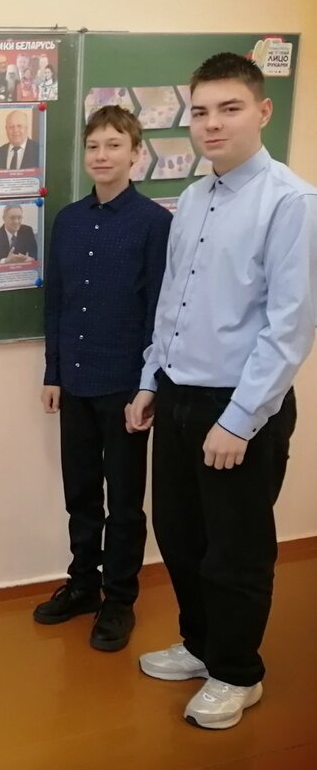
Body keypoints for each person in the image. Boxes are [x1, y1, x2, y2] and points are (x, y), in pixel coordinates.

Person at [126, 53, 316, 730]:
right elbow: (171, 301)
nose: (211, 124)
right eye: (200, 111)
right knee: (179, 537)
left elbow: (290, 326)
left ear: (262, 111)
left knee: (234, 551)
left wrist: (239, 420)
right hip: (178, 395)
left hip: (238, 406)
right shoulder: (193, 198)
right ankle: (201, 645)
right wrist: (150, 379)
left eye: (228, 108)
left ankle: (237, 673)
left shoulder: (290, 203)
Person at [35, 105, 171, 653]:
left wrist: (148, 386)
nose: (102, 155)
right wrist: (53, 371)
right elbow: (56, 302)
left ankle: (119, 601)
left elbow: (159, 312)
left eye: (114, 145)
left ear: (136, 154)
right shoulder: (68, 221)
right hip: (74, 381)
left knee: (126, 504)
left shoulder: (155, 223)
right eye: (93, 146)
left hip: (125, 390)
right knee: (81, 493)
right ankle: (83, 585)